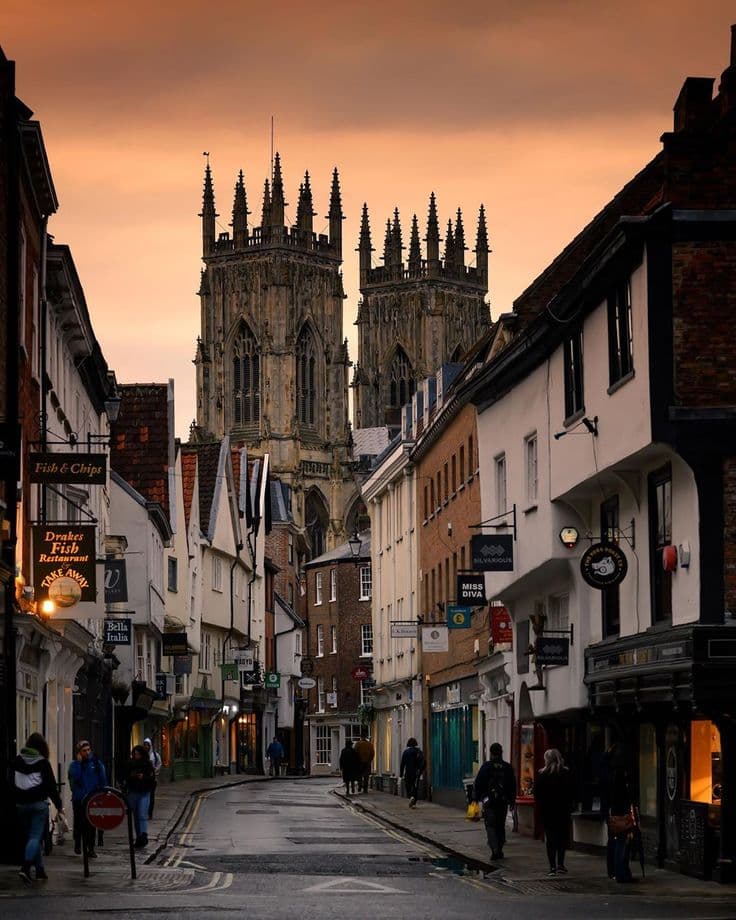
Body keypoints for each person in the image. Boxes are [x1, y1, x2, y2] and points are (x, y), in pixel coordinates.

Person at [13, 733, 64, 884]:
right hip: (39, 805)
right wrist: (59, 805)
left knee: (31, 839)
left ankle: (40, 871)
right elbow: (51, 787)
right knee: (35, 837)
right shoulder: (43, 763)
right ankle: (25, 867)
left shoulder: (17, 761)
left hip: (21, 805)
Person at [473, 742, 516, 860]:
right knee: (500, 825)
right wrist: (512, 801)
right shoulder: (507, 767)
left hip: (489, 801)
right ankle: (500, 849)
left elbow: (479, 783)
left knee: (491, 825)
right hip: (503, 801)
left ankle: (494, 849)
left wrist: (476, 799)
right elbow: (512, 785)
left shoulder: (486, 766)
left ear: (491, 753)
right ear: (501, 752)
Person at [535, 748, 574, 876]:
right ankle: (561, 864)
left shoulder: (542, 775)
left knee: (550, 839)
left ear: (547, 759)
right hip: (563, 810)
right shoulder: (565, 773)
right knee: (562, 838)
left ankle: (552, 867)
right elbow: (572, 792)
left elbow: (537, 795)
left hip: (548, 812)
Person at [68, 739, 107, 858]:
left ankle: (91, 848)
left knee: (91, 824)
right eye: (84, 750)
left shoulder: (96, 763)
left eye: (88, 750)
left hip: (93, 798)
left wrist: (102, 794)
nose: (87, 752)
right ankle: (78, 844)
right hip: (79, 798)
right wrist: (79, 764)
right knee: (79, 823)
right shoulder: (74, 765)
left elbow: (103, 779)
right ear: (79, 752)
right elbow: (76, 778)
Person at [606, 746, 638, 883]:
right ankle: (621, 872)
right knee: (621, 843)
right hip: (621, 812)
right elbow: (625, 795)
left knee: (616, 842)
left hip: (612, 811)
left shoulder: (610, 771)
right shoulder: (621, 775)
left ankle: (616, 871)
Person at [123, 744, 156, 848]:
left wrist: (143, 777)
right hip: (133, 792)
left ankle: (144, 835)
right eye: (134, 754)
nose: (136, 756)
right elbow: (125, 777)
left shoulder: (148, 764)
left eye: (138, 754)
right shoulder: (130, 764)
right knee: (136, 816)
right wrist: (131, 776)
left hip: (144, 792)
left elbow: (152, 779)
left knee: (142, 814)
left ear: (142, 754)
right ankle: (139, 838)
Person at [400, 738, 425, 808]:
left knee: (408, 785)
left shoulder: (406, 752)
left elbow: (402, 764)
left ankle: (410, 796)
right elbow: (423, 762)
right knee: (415, 786)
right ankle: (414, 803)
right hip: (416, 772)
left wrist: (401, 774)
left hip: (408, 772)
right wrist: (421, 771)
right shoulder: (419, 752)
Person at [143, 737, 162, 819]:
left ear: (150, 746)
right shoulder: (142, 755)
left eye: (148, 745)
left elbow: (159, 764)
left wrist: (155, 771)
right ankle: (144, 812)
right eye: (145, 745)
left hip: (152, 779)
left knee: (151, 796)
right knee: (144, 796)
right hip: (143, 779)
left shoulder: (155, 755)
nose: (146, 747)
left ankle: (150, 814)